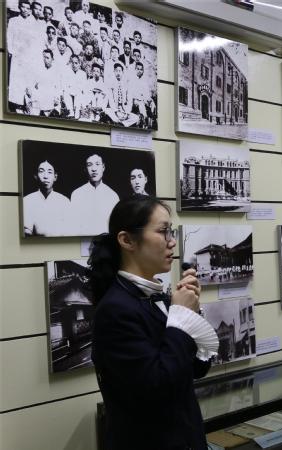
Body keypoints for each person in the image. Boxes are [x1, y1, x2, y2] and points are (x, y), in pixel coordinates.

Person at [89, 195, 218, 450]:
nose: (172, 241)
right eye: (162, 231)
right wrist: (180, 316)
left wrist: (189, 312)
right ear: (127, 240)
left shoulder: (158, 297)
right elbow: (156, 386)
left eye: (171, 231)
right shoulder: (115, 309)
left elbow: (196, 369)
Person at [71, 153, 120, 235]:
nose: (94, 169)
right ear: (85, 169)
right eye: (89, 165)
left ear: (103, 167)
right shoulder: (76, 194)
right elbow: (73, 224)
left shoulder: (113, 196)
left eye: (97, 164)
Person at [23, 160, 71, 236]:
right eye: (41, 171)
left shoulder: (65, 201)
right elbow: (27, 232)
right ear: (36, 176)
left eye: (49, 172)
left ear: (55, 177)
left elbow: (69, 231)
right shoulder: (27, 200)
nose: (45, 176)